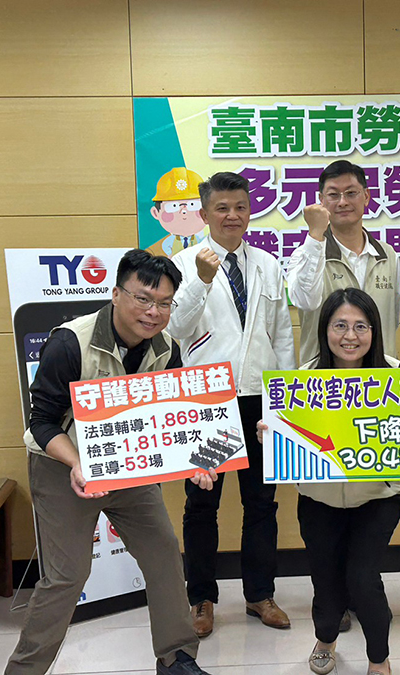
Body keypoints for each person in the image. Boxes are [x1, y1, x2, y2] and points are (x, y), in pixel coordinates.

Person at [6, 249, 212, 675]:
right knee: (66, 577)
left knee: (163, 554)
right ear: (116, 294)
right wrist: (77, 464)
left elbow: (169, 418)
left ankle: (176, 658)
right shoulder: (70, 343)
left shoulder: (167, 349)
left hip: (130, 467)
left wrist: (195, 460)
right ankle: (24, 671)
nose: (153, 312)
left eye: (164, 303)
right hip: (64, 467)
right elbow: (41, 422)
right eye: (143, 299)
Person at [259, 288, 400, 675]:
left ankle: (379, 659)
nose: (350, 336)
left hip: (378, 498)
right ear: (325, 330)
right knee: (326, 578)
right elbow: (289, 440)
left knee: (363, 578)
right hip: (318, 500)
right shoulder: (302, 379)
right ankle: (326, 638)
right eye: (340, 326)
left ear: (374, 331)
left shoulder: (396, 376)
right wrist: (271, 434)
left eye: (360, 326)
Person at [168, 171, 296, 637]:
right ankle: (200, 598)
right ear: (203, 214)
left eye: (240, 207)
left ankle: (260, 594)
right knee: (202, 504)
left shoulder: (267, 263)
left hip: (260, 398)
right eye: (221, 208)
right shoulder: (182, 264)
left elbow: (282, 333)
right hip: (208, 401)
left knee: (262, 502)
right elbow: (174, 330)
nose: (232, 216)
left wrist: (284, 399)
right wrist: (201, 282)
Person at [288, 160, 400, 364]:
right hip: (323, 376)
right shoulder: (305, 254)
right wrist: (315, 234)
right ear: (321, 200)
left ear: (366, 196)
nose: (342, 202)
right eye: (333, 195)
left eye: (351, 193)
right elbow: (305, 301)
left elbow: (392, 320)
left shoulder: (387, 255)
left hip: (379, 376)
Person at [145, 167, 208, 258]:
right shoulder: (154, 251)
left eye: (192, 205)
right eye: (173, 206)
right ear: (155, 213)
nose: (183, 211)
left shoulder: (212, 245)